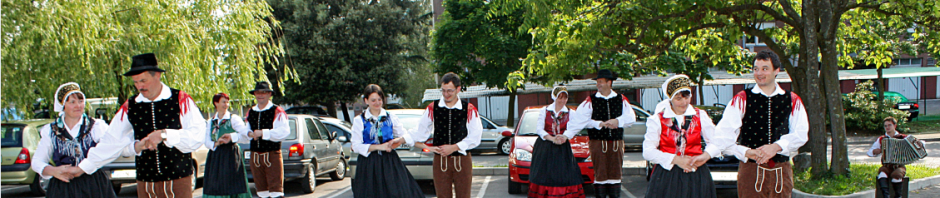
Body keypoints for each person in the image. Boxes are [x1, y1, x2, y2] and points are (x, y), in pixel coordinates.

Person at [69, 53, 208, 198]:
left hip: (178, 181)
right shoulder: (131, 106)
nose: (139, 86)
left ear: (157, 76)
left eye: (143, 80)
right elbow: (111, 141)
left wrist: (164, 134)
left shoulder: (180, 100)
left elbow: (197, 135)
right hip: (145, 183)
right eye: (135, 82)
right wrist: (83, 167)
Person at [715, 50, 809, 198]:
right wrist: (746, 152)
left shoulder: (792, 99)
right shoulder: (741, 99)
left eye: (765, 68)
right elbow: (722, 137)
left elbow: (801, 134)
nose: (759, 73)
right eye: (756, 69)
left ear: (777, 70)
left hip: (781, 170)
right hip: (751, 170)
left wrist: (776, 147)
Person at [643, 75, 726, 198]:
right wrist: (676, 160)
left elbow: (718, 141)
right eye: (678, 99)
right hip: (667, 175)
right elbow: (648, 151)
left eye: (686, 97)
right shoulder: (658, 120)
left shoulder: (700, 115)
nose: (684, 102)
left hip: (696, 173)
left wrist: (704, 156)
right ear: (670, 99)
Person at [30, 82, 116, 198]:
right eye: (72, 102)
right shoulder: (51, 131)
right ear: (63, 105)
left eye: (81, 101)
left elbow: (111, 148)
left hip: (93, 185)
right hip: (63, 187)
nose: (78, 106)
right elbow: (37, 162)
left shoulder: (96, 127)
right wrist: (54, 171)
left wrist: (85, 167)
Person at [565, 69, 637, 198]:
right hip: (598, 143)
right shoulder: (590, 100)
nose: (598, 84)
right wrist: (596, 124)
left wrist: (618, 121)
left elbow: (631, 118)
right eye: (597, 82)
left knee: (615, 174)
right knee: (600, 174)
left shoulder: (621, 99)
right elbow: (579, 120)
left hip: (616, 142)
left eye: (601, 82)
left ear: (609, 83)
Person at [411, 72, 483, 198]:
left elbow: (476, 136)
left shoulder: (469, 109)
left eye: (450, 91)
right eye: (443, 91)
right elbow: (420, 132)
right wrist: (403, 139)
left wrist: (454, 147)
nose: (446, 94)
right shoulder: (433, 108)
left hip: (462, 160)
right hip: (440, 161)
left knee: (464, 196)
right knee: (442, 196)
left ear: (458, 89)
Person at [350, 84, 424, 198]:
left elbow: (404, 135)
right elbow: (356, 145)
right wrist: (379, 147)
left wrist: (399, 141)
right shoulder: (359, 120)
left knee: (398, 192)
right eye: (373, 100)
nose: (377, 102)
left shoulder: (391, 117)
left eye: (379, 99)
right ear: (366, 101)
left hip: (389, 162)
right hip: (368, 164)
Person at [528, 85, 586, 198]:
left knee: (564, 175)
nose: (563, 100)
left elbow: (574, 128)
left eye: (565, 98)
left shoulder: (570, 112)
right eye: (560, 97)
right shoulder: (545, 111)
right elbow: (539, 129)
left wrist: (564, 137)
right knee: (544, 176)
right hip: (545, 147)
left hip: (562, 148)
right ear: (554, 97)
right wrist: (552, 138)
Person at [203, 93, 253, 198]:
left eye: (227, 102)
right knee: (215, 185)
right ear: (216, 103)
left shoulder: (233, 119)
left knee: (232, 183)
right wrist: (217, 143)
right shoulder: (210, 121)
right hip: (215, 156)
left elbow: (246, 136)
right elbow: (207, 141)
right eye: (223, 102)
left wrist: (232, 136)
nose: (226, 105)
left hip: (231, 154)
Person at [245, 81, 290, 198]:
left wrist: (263, 133)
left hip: (272, 155)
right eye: (258, 92)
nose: (260, 95)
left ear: (270, 94)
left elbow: (284, 132)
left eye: (264, 92)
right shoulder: (251, 111)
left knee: (276, 191)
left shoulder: (277, 110)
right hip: (255, 156)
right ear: (254, 94)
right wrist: (249, 133)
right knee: (261, 191)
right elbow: (246, 130)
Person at [867, 116, 925, 198]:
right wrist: (876, 151)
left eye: (889, 125)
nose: (887, 127)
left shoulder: (903, 138)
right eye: (885, 126)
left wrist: (920, 142)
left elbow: (921, 142)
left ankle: (898, 196)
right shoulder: (881, 139)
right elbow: (870, 152)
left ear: (895, 126)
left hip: (899, 166)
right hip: (886, 165)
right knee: (882, 174)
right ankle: (886, 196)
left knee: (896, 175)